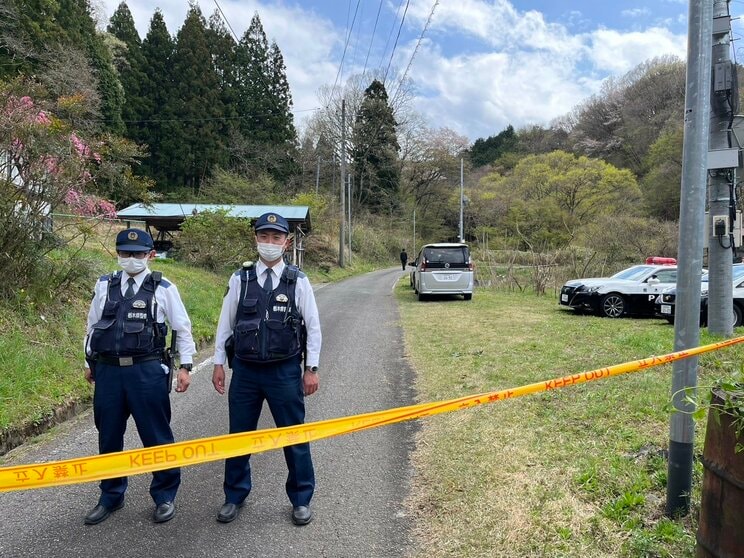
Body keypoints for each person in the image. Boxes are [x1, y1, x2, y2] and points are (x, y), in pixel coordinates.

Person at [212, 212, 321, 526]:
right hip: (245, 372)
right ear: (256, 239)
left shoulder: (297, 280)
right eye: (264, 237)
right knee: (238, 437)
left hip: (285, 371)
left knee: (293, 436)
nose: (269, 243)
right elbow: (225, 325)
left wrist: (310, 368)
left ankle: (301, 498)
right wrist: (218, 362)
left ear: (286, 243)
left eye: (276, 238)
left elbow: (313, 328)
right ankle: (234, 495)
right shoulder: (240, 279)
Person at [83, 228, 196, 525]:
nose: (130, 259)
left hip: (146, 370)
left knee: (156, 435)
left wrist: (186, 366)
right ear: (118, 254)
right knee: (108, 436)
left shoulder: (163, 287)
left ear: (150, 255)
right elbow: (92, 326)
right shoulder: (105, 284)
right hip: (108, 371)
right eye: (124, 253)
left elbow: (182, 328)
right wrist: (87, 361)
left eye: (137, 254)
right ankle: (111, 495)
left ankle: (164, 495)